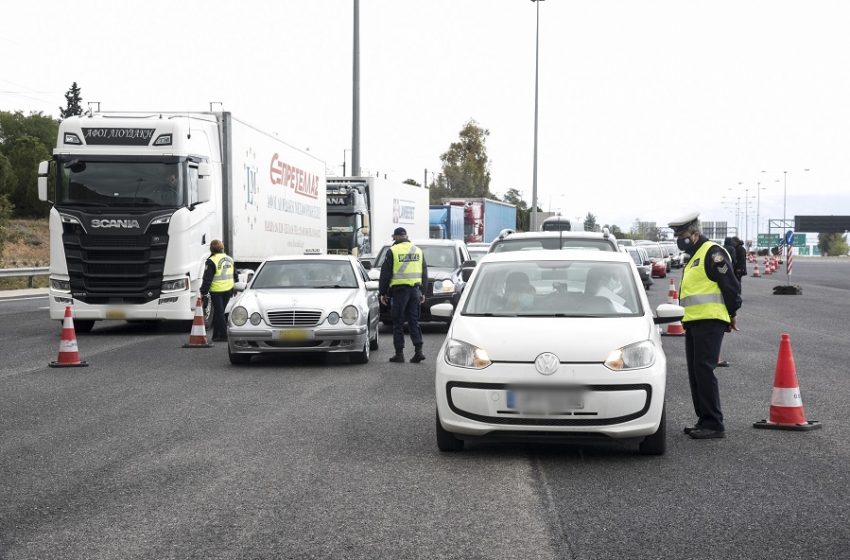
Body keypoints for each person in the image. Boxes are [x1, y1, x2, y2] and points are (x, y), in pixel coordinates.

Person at [669, 212, 742, 439]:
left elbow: (730, 286)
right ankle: (703, 419)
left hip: (710, 321)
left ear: (694, 234)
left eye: (682, 235)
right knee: (695, 372)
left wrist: (731, 313)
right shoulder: (694, 256)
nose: (679, 239)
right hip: (693, 322)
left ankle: (714, 423)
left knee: (703, 369)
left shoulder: (713, 252)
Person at [379, 227, 428, 363]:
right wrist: (423, 291)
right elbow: (424, 273)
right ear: (406, 236)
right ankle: (419, 351)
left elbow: (385, 274)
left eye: (394, 237)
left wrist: (383, 292)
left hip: (400, 292)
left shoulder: (393, 251)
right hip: (415, 291)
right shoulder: (418, 251)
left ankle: (399, 354)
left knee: (398, 322)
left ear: (395, 237)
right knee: (413, 321)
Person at [200, 239, 235, 342]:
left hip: (217, 291)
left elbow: (207, 279)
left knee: (219, 313)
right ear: (222, 248)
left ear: (211, 249)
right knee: (219, 312)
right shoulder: (229, 259)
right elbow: (235, 274)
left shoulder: (211, 261)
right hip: (228, 290)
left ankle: (225, 335)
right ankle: (216, 336)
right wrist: (233, 287)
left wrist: (203, 292)